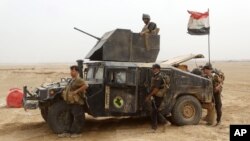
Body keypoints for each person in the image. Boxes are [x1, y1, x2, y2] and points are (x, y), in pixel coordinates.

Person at [59, 65, 89, 138]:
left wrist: (76, 91)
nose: (71, 72)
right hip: (70, 102)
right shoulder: (71, 80)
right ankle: (67, 132)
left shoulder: (78, 80)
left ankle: (75, 133)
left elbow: (86, 85)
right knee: (68, 118)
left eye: (73, 71)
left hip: (76, 103)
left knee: (78, 118)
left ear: (77, 72)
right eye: (71, 71)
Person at [145, 64, 170, 131]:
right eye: (152, 68)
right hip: (156, 95)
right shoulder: (156, 75)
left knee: (154, 111)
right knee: (155, 110)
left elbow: (156, 89)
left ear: (158, 69)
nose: (153, 70)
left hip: (158, 96)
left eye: (154, 68)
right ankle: (164, 123)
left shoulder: (159, 77)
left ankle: (156, 127)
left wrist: (149, 96)